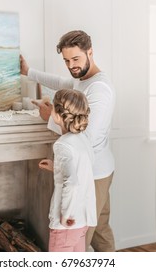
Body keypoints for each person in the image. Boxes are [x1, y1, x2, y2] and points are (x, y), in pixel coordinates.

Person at [20, 30, 116, 252]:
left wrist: (51, 119)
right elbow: (62, 82)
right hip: (93, 169)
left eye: (76, 59)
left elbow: (87, 138)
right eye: (66, 60)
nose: (71, 65)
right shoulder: (83, 79)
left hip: (93, 174)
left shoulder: (99, 89)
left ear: (90, 52)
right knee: (101, 231)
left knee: (80, 239)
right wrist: (29, 72)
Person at [38, 88, 96, 252]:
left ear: (57, 115)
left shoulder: (62, 145)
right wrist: (56, 168)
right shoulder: (82, 139)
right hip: (82, 221)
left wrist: (66, 215)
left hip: (67, 225)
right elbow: (82, 170)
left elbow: (71, 183)